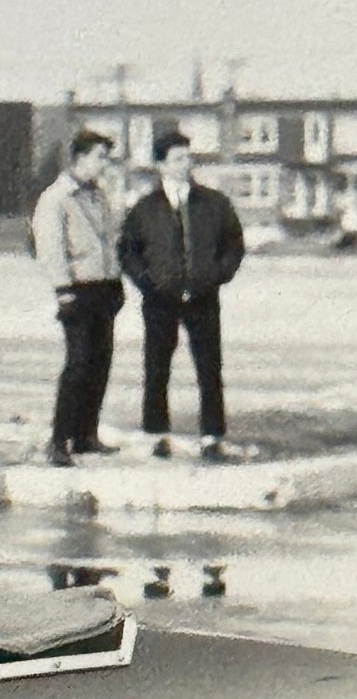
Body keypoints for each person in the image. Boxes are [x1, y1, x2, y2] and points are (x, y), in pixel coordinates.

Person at [118, 129, 245, 461]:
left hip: (203, 297)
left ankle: (212, 436)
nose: (185, 164)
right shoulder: (145, 208)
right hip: (160, 299)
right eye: (177, 159)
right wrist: (148, 282)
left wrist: (216, 275)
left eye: (188, 157)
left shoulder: (214, 203)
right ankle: (157, 434)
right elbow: (128, 251)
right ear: (161, 164)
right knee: (157, 366)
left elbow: (234, 245)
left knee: (209, 368)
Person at [31, 128, 125, 466]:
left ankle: (86, 434)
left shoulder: (97, 196)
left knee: (100, 362)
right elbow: (51, 248)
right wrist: (63, 290)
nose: (104, 164)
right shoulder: (57, 198)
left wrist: (116, 283)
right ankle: (59, 440)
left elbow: (108, 240)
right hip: (77, 290)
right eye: (100, 157)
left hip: (104, 288)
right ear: (80, 157)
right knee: (78, 364)